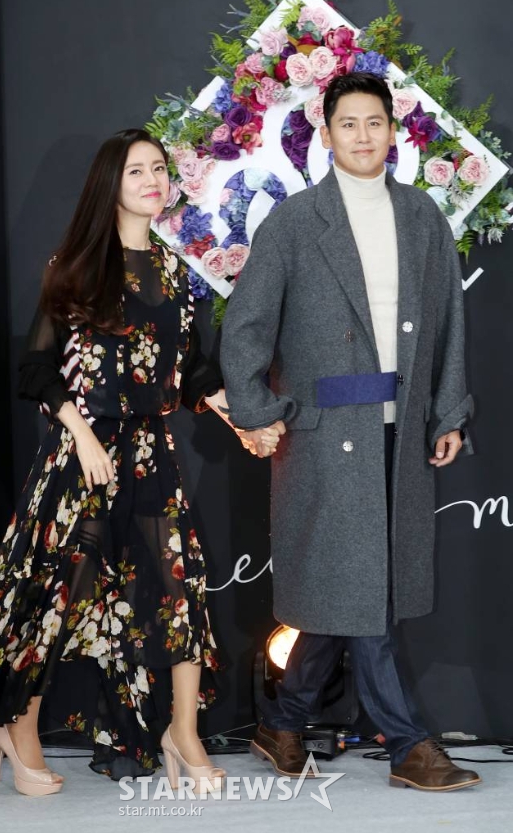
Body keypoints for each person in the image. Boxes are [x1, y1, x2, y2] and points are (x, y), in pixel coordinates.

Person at [0, 128, 273, 795]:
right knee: (60, 595)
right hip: (82, 456)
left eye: (159, 169)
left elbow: (192, 372)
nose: (153, 181)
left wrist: (241, 421)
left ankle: (182, 732)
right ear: (111, 184)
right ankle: (17, 725)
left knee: (180, 588)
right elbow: (38, 370)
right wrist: (83, 436)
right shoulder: (74, 266)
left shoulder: (174, 272)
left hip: (151, 454)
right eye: (136, 171)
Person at [220, 73, 481, 792]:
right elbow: (246, 327)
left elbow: (449, 324)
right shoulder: (295, 221)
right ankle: (408, 744)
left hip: (400, 435)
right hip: (324, 437)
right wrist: (258, 414)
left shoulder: (422, 216)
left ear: (393, 131)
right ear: (326, 133)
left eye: (375, 122)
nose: (363, 135)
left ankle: (283, 722)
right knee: (362, 587)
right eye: (348, 123)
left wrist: (447, 413)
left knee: (352, 590)